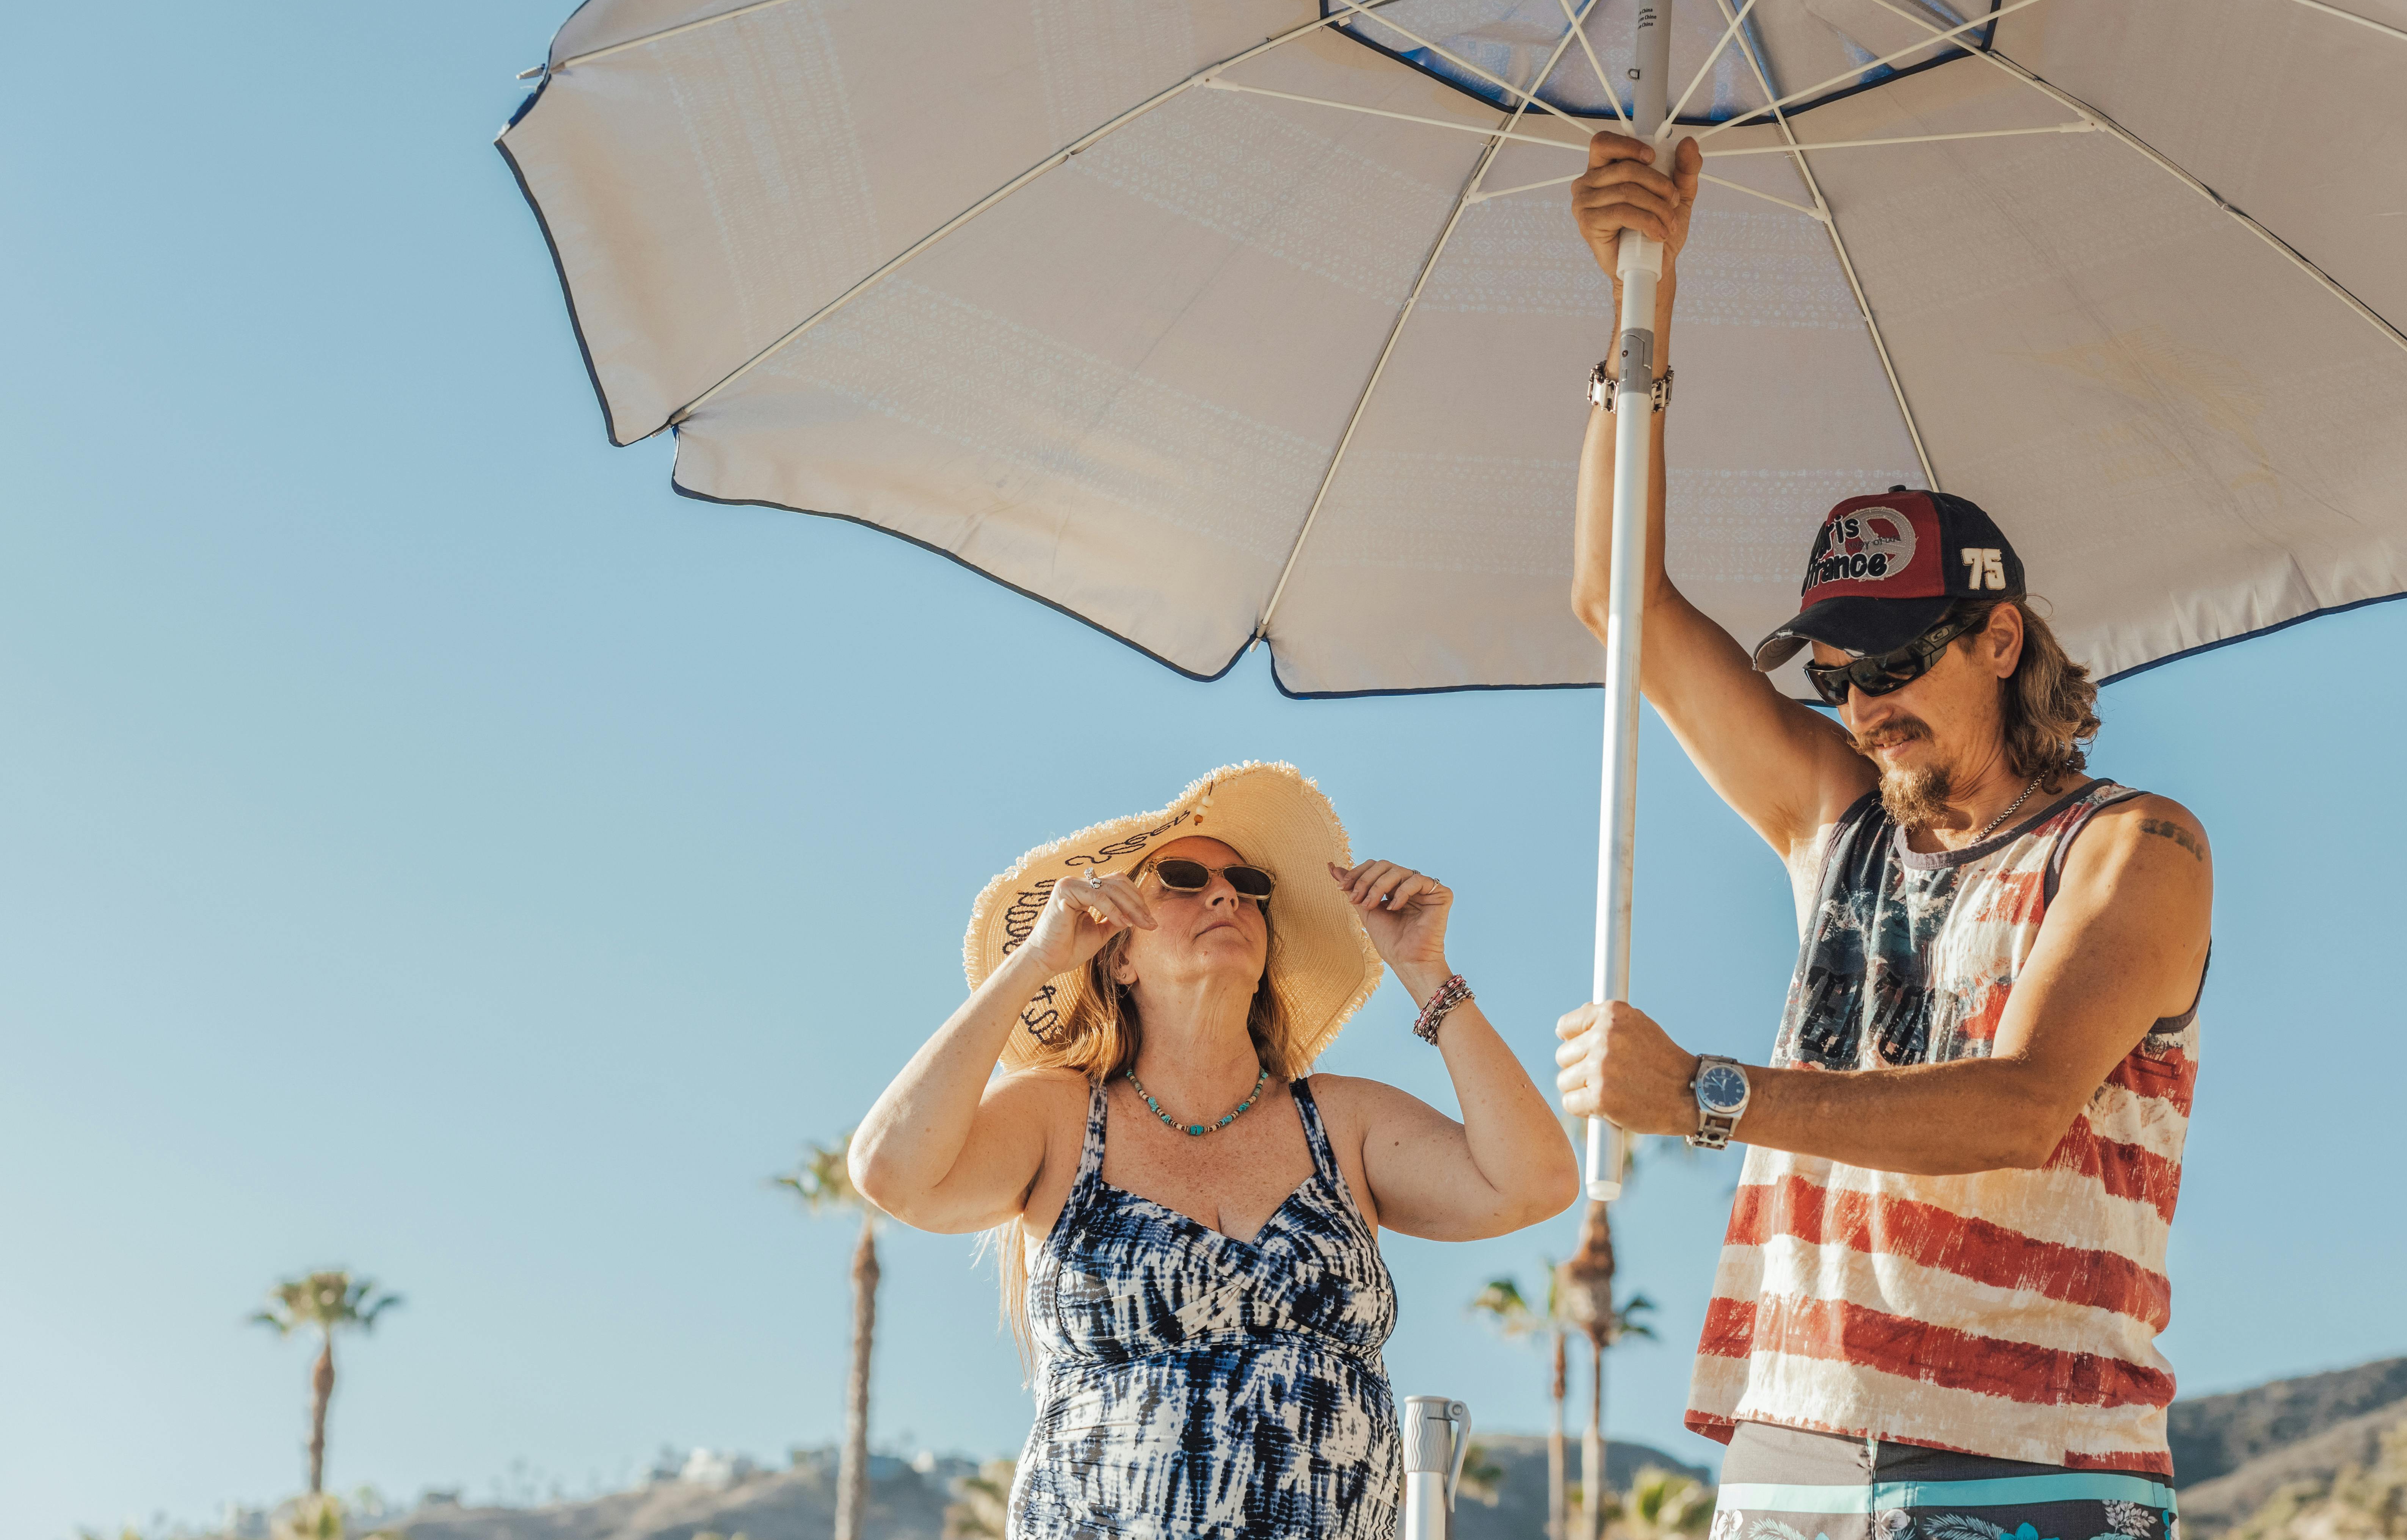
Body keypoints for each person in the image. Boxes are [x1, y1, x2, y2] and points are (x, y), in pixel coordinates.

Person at [1555, 133, 2214, 1527]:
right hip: (1785, 1461)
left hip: (2027, 1474)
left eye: (1892, 664)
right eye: (1833, 675)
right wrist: (1640, 310)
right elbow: (1620, 606)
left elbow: (2021, 1107)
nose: (1860, 705)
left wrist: (1700, 1096)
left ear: (1996, 636)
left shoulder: (2135, 847)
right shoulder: (1835, 824)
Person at [850, 762, 1577, 1539]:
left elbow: (1531, 1183)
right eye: (1183, 878)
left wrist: (1425, 972)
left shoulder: (1341, 1121)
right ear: (1117, 954)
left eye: (1246, 883)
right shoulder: (1060, 1114)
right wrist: (1033, 964)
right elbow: (892, 1173)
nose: (1225, 895)